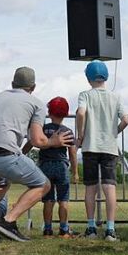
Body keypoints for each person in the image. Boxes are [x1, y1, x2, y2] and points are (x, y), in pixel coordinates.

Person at [0, 67, 73, 243]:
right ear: (33, 87)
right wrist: (54, 142)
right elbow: (38, 140)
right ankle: (8, 221)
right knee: (43, 184)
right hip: (3, 155)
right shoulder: (36, 104)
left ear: (12, 84)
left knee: (2, 181)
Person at [76, 60, 128, 241]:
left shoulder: (85, 95)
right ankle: (110, 229)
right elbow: (126, 119)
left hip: (90, 146)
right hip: (109, 146)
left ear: (88, 77)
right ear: (106, 76)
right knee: (109, 186)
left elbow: (81, 113)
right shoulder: (115, 97)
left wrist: (81, 134)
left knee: (91, 187)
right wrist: (115, 131)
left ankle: (91, 228)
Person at [39, 97, 77, 239]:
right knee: (63, 199)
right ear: (66, 113)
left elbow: (34, 141)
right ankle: (64, 229)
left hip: (45, 166)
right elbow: (72, 153)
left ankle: (48, 230)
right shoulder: (67, 131)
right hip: (61, 166)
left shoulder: (44, 129)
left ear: (49, 112)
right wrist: (75, 172)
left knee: (48, 200)